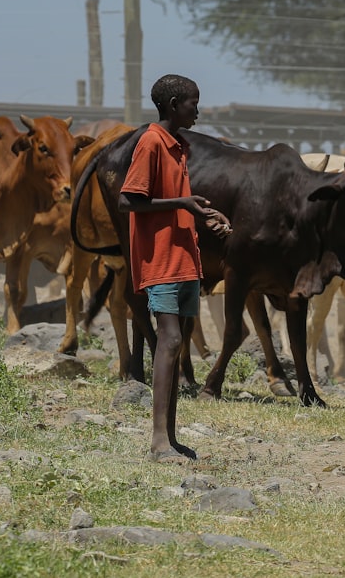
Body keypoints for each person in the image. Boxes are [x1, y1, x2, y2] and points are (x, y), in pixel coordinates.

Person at [118, 74, 231, 464]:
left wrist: (201, 212)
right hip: (161, 259)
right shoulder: (151, 142)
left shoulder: (179, 147)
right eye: (192, 103)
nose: (197, 110)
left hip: (185, 257)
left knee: (178, 342)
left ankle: (171, 437)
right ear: (171, 103)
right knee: (167, 342)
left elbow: (173, 202)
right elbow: (130, 201)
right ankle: (158, 442)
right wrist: (182, 203)